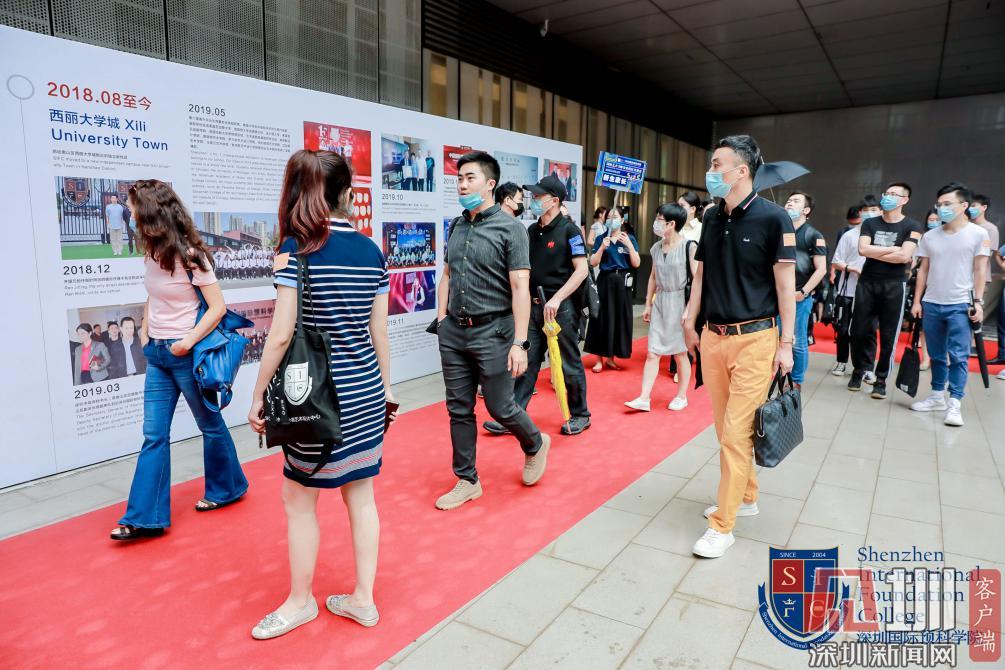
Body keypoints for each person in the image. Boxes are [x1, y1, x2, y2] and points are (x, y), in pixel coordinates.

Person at [248, 149, 394, 640]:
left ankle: (300, 601)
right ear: (345, 193)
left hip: (316, 400)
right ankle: (364, 600)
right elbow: (379, 332)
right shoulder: (371, 250)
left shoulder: (296, 248)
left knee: (298, 497)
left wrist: (258, 394)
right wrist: (387, 391)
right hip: (366, 395)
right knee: (362, 496)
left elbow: (281, 335)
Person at [111, 179, 248, 541]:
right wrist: (145, 331)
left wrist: (186, 342)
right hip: (157, 354)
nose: (130, 213)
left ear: (150, 212)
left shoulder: (191, 257)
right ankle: (145, 517)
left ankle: (227, 488)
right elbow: (154, 296)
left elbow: (217, 308)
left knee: (210, 424)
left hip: (186, 354)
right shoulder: (151, 253)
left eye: (133, 207)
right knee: (154, 435)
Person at [683, 134, 796, 559]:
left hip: (756, 339)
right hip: (714, 338)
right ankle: (746, 496)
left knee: (735, 434)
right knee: (724, 428)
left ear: (741, 170)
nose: (711, 172)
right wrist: (690, 319)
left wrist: (786, 344)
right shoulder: (712, 217)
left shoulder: (774, 219)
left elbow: (785, 287)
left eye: (717, 164)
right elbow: (702, 274)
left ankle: (723, 526)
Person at [433, 151, 551, 511]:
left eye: (470, 178)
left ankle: (535, 443)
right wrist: (441, 319)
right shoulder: (457, 226)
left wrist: (520, 343)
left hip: (494, 332)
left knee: (500, 406)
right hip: (454, 333)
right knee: (459, 409)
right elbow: (447, 275)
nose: (462, 184)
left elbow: (520, 287)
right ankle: (467, 480)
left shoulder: (511, 228)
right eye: (459, 178)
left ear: (490, 184)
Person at [483, 175, 591, 437]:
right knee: (526, 360)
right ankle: (514, 414)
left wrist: (557, 298)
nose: (534, 199)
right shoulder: (531, 230)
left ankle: (580, 414)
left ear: (554, 201)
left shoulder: (570, 231)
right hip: (532, 308)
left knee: (567, 362)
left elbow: (582, 270)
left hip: (559, 309)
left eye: (540, 196)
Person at [909, 183, 989, 426]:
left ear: (964, 206)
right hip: (932, 302)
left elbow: (980, 270)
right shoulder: (930, 236)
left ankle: (955, 402)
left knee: (958, 355)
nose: (941, 208)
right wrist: (917, 301)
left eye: (947, 204)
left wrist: (978, 302)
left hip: (960, 304)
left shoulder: (978, 234)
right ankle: (937, 396)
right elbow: (923, 270)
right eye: (939, 204)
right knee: (936, 355)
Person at [848, 182, 922, 399]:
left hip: (894, 285)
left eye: (894, 194)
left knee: (889, 335)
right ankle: (859, 370)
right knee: (859, 331)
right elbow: (863, 250)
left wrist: (878, 251)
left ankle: (881, 380)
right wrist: (893, 249)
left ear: (904, 200)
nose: (888, 197)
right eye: (887, 193)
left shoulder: (912, 225)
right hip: (867, 282)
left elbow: (904, 256)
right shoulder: (870, 223)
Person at [625, 203, 697, 412]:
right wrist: (648, 304)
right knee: (652, 352)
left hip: (680, 302)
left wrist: (689, 309)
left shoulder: (689, 247)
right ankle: (644, 397)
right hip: (661, 302)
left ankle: (682, 396)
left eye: (659, 219)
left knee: (680, 353)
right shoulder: (656, 248)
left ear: (671, 224)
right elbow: (653, 277)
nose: (655, 223)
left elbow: (697, 281)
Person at [585, 207, 640, 372]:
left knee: (619, 318)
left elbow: (636, 263)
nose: (611, 219)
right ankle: (598, 359)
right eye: (609, 217)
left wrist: (629, 246)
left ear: (622, 220)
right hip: (605, 280)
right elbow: (593, 262)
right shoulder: (601, 238)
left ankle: (611, 358)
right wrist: (602, 247)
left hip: (623, 282)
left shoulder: (629, 238)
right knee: (601, 318)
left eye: (615, 217)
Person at [785, 192, 827, 389]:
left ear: (806, 210)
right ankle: (779, 376)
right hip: (777, 296)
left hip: (799, 297)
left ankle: (796, 382)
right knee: (777, 339)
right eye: (788, 200)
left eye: (795, 201)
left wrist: (803, 292)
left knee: (798, 340)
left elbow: (821, 269)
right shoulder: (780, 231)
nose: (789, 203)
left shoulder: (813, 235)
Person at [829, 213, 872, 376]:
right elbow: (836, 261)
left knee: (867, 331)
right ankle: (841, 361)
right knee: (843, 328)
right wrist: (852, 268)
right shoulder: (849, 235)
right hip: (847, 290)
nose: (870, 213)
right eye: (866, 210)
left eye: (874, 209)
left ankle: (866, 367)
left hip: (870, 293)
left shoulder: (880, 237)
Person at [969, 195, 1005, 364]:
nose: (971, 208)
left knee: (977, 310)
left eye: (974, 205)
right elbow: (1000, 253)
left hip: (980, 276)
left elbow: (988, 255)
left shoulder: (991, 229)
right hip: (961, 276)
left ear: (984, 207)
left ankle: (975, 343)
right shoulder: (966, 226)